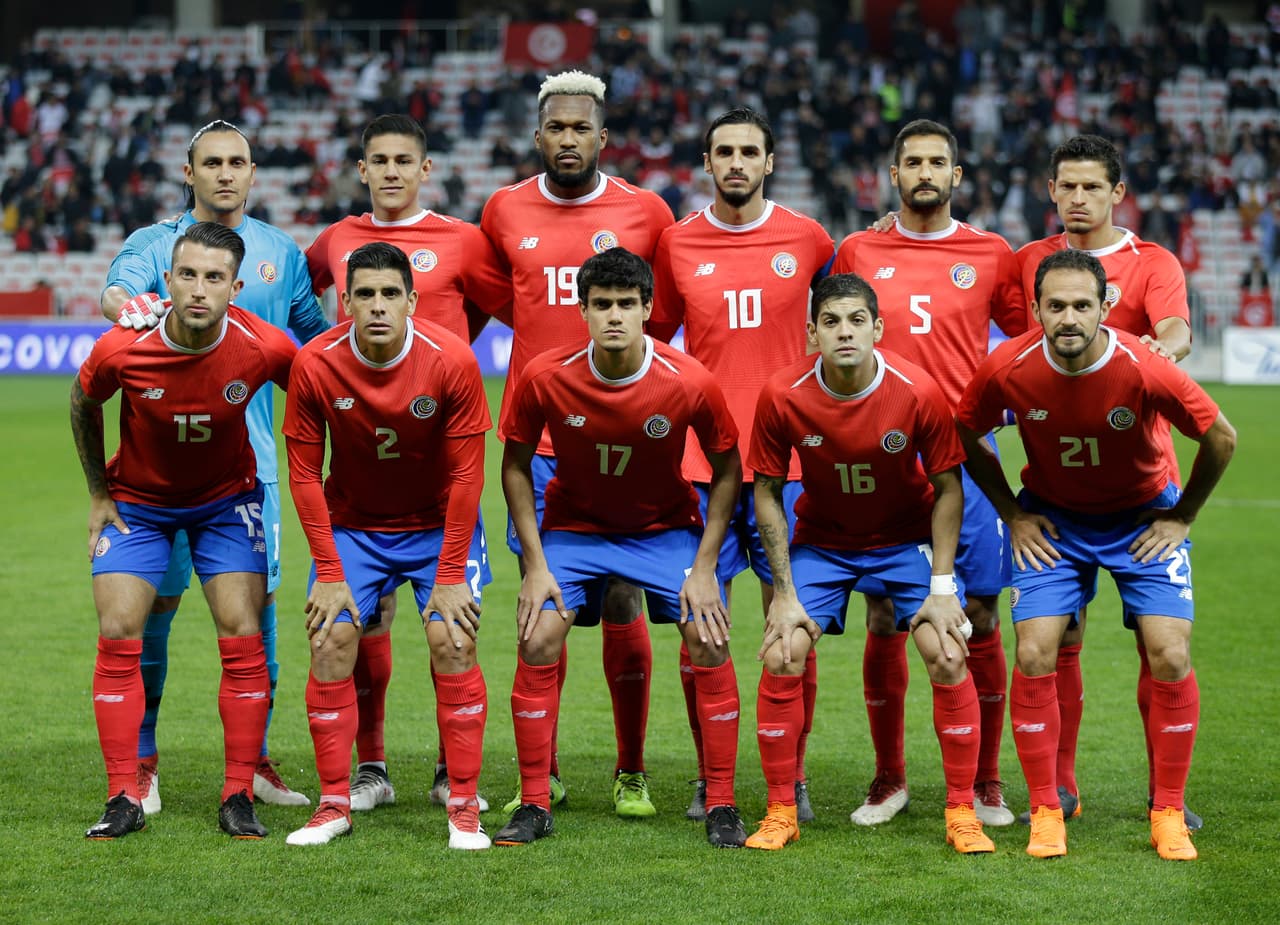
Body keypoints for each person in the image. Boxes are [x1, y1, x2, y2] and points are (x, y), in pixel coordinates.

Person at [956, 248, 1235, 860]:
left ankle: (1168, 812)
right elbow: (966, 430)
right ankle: (1046, 811)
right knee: (1034, 650)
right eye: (1055, 306)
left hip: (1142, 519)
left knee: (1170, 652)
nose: (1069, 318)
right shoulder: (1007, 366)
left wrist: (1182, 516)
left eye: (1082, 305)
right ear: (1035, 310)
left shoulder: (1143, 367)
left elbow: (1221, 436)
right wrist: (1012, 513)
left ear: (1105, 307)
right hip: (1054, 523)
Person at [100, 119, 326, 813]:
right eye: (212, 163)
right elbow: (117, 296)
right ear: (188, 172)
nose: (225, 174)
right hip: (159, 471)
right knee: (155, 607)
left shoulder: (280, 252)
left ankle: (255, 762)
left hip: (252, 471)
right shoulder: (155, 245)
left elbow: (315, 344)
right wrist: (135, 308)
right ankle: (142, 761)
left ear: (253, 173)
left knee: (257, 610)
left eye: (237, 163)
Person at [494, 247, 746, 848]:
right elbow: (514, 466)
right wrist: (535, 565)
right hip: (575, 531)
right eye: (602, 304)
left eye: (626, 304)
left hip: (661, 532)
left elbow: (728, 470)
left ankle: (721, 802)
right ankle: (534, 802)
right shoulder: (546, 376)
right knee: (536, 635)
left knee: (709, 637)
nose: (614, 316)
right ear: (582, 310)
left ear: (647, 308)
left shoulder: (688, 380)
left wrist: (705, 566)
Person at [481, 70, 676, 817]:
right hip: (541, 445)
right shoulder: (503, 209)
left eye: (581, 128)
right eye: (556, 128)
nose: (568, 139)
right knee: (543, 602)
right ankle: (545, 773)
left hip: (625, 442)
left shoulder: (645, 211)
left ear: (603, 137)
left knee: (624, 594)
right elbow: (502, 299)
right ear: (539, 135)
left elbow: (662, 312)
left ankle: (632, 770)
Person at [305, 113, 511, 814]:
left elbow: (506, 306)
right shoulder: (337, 239)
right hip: (363, 448)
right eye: (379, 160)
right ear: (361, 169)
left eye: (404, 160)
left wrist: (451, 347)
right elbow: (301, 301)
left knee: (446, 625)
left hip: (437, 443)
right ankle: (371, 766)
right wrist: (329, 361)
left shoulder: (463, 239)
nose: (391, 171)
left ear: (425, 169)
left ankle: (453, 772)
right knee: (366, 622)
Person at [745, 272, 992, 854]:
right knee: (783, 651)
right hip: (824, 542)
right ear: (812, 333)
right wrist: (784, 593)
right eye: (830, 322)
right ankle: (780, 810)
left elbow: (948, 488)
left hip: (905, 542)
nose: (845, 332)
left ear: (878, 328)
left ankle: (962, 812)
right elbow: (767, 490)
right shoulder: (782, 393)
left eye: (857, 320)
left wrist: (942, 585)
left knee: (947, 652)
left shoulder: (917, 391)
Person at [72, 222, 297, 839]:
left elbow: (317, 394)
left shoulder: (263, 346)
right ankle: (123, 794)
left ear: (235, 288)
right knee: (119, 629)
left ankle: (238, 793)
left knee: (243, 630)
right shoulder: (124, 347)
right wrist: (98, 492)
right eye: (189, 275)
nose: (200, 289)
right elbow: (83, 401)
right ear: (168, 281)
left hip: (226, 504)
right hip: (138, 504)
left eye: (214, 278)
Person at [832, 119, 1026, 827]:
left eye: (936, 162)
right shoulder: (859, 249)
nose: (924, 172)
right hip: (884, 460)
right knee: (884, 612)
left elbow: (1026, 343)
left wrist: (1008, 409)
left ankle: (986, 781)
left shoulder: (991, 253)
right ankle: (889, 778)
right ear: (893, 174)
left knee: (981, 613)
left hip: (968, 462)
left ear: (956, 175)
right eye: (912, 162)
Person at [649, 107, 834, 822]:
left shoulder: (809, 239)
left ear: (769, 161)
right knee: (701, 627)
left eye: (748, 151)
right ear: (706, 162)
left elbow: (850, 310)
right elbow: (653, 338)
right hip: (703, 465)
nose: (735, 162)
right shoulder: (677, 242)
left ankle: (795, 774)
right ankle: (710, 775)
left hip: (791, 466)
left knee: (792, 626)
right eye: (723, 151)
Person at [1014, 134, 1201, 829]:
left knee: (1160, 641)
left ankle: (1164, 794)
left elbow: (1176, 329)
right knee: (1060, 634)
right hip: (1058, 481)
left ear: (1117, 192)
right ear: (1051, 190)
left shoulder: (1152, 262)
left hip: (1141, 480)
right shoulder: (1030, 261)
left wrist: (1157, 350)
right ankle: (1060, 788)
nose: (1078, 197)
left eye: (1092, 186)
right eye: (1067, 185)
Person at [282, 243, 492, 849]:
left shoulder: (450, 360)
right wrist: (328, 571)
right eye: (365, 294)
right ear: (344, 302)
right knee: (330, 639)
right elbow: (304, 475)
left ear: (412, 301)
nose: (378, 306)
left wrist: (449, 575)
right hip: (354, 526)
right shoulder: (315, 364)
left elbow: (468, 476)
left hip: (437, 526)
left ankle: (462, 805)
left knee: (453, 638)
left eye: (390, 294)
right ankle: (333, 804)